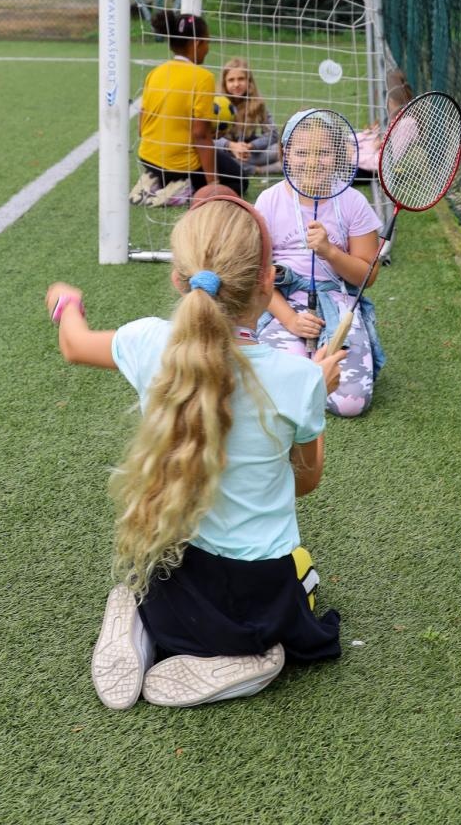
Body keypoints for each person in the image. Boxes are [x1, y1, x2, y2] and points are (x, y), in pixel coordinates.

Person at [45, 192, 346, 709]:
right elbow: (305, 482)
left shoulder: (147, 342)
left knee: (149, 583)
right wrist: (316, 387)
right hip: (254, 595)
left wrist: (66, 304)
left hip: (168, 574)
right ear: (268, 281)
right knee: (302, 582)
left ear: (178, 280)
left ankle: (135, 615)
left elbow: (74, 345)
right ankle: (251, 656)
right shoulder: (297, 379)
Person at [255, 110, 386, 418]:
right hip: (282, 302)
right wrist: (289, 319)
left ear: (338, 155)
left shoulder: (353, 202)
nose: (312, 162)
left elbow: (368, 276)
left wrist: (330, 252)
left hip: (338, 305)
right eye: (302, 152)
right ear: (286, 154)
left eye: (324, 152)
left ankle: (306, 380)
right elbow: (257, 275)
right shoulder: (269, 201)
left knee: (350, 404)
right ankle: (301, 374)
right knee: (272, 391)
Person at [130, 10, 247, 207]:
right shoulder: (203, 77)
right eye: (207, 42)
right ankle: (183, 189)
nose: (208, 48)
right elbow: (200, 135)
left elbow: (142, 125)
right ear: (196, 44)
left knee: (217, 163)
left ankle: (155, 179)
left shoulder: (156, 73)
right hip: (180, 164)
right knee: (238, 181)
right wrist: (213, 184)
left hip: (148, 157)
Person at [216, 57, 281, 176]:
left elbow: (273, 134)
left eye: (241, 79)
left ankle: (251, 167)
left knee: (283, 149)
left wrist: (251, 146)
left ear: (249, 81)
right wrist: (231, 146)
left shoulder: (257, 103)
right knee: (213, 156)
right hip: (225, 152)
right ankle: (260, 170)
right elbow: (209, 138)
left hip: (250, 152)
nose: (236, 84)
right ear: (224, 84)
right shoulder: (217, 104)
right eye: (231, 80)